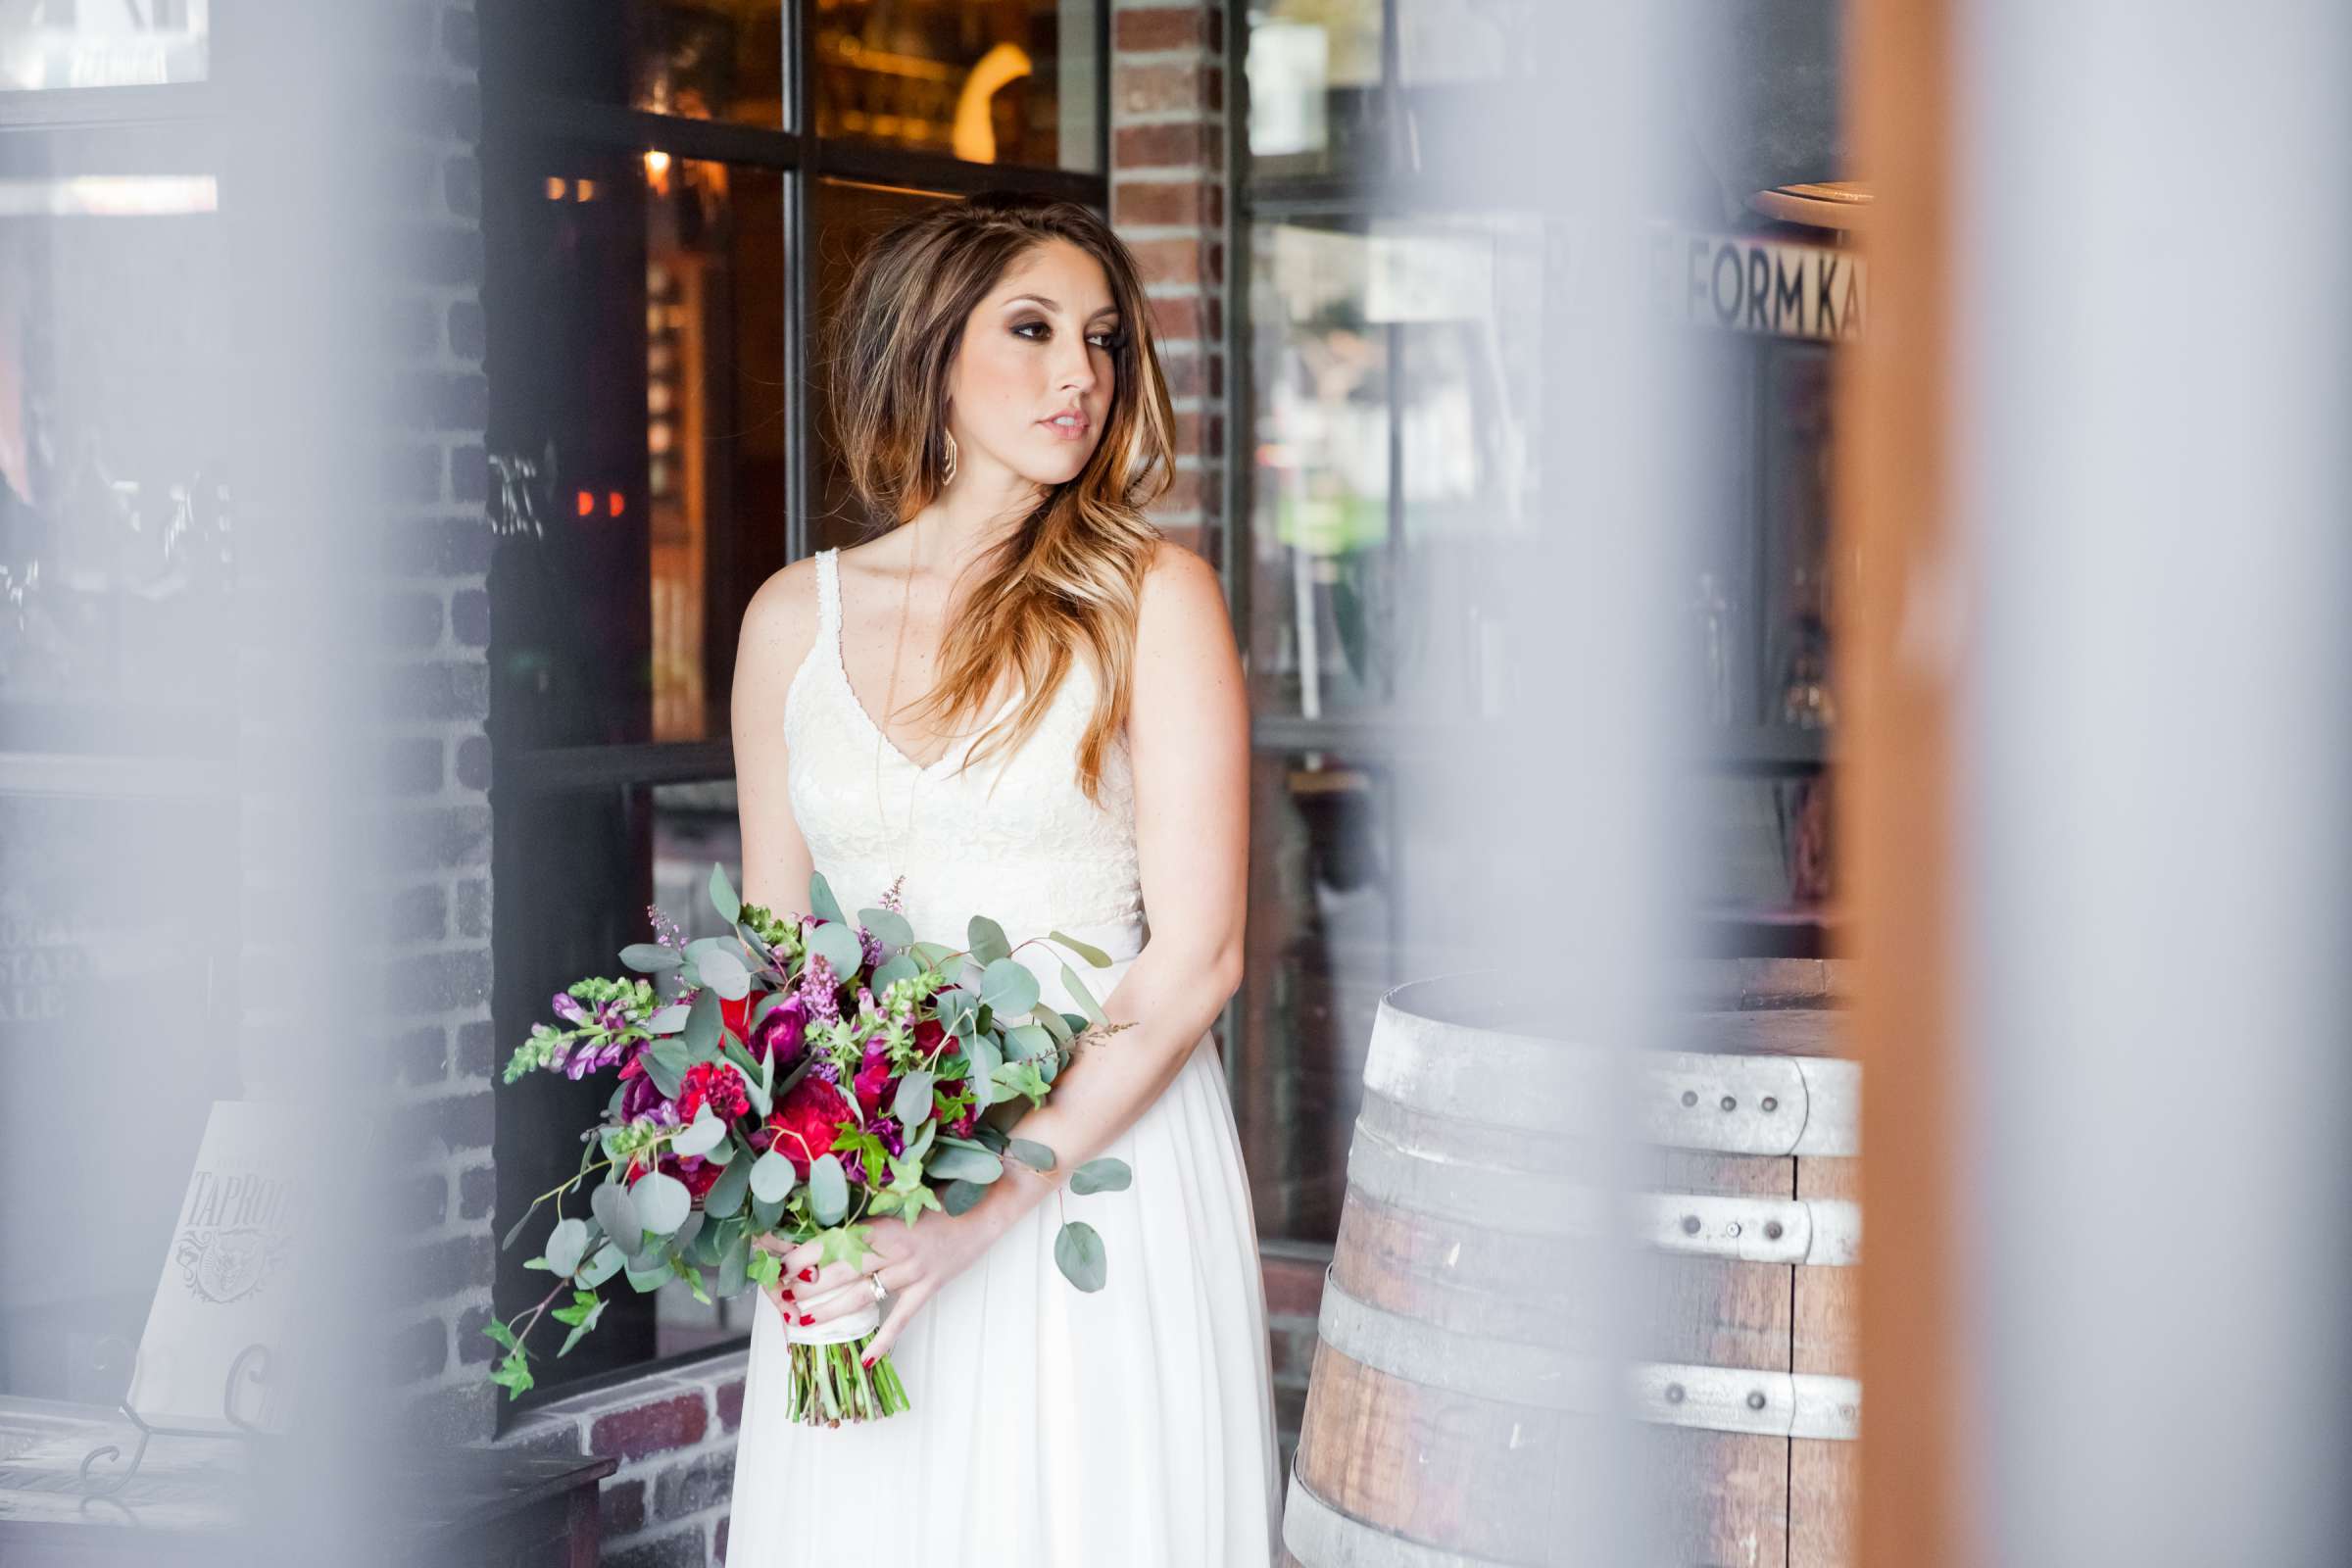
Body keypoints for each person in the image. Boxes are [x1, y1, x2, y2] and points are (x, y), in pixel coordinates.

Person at [721, 192, 1281, 1564]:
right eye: (1030, 330)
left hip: (1098, 1171)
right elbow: (776, 958)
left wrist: (988, 1209)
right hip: (873, 1184)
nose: (1078, 374)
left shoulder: (1154, 599)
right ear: (929, 353)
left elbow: (1199, 955)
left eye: (1100, 339)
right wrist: (808, 1196)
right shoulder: (794, 616)